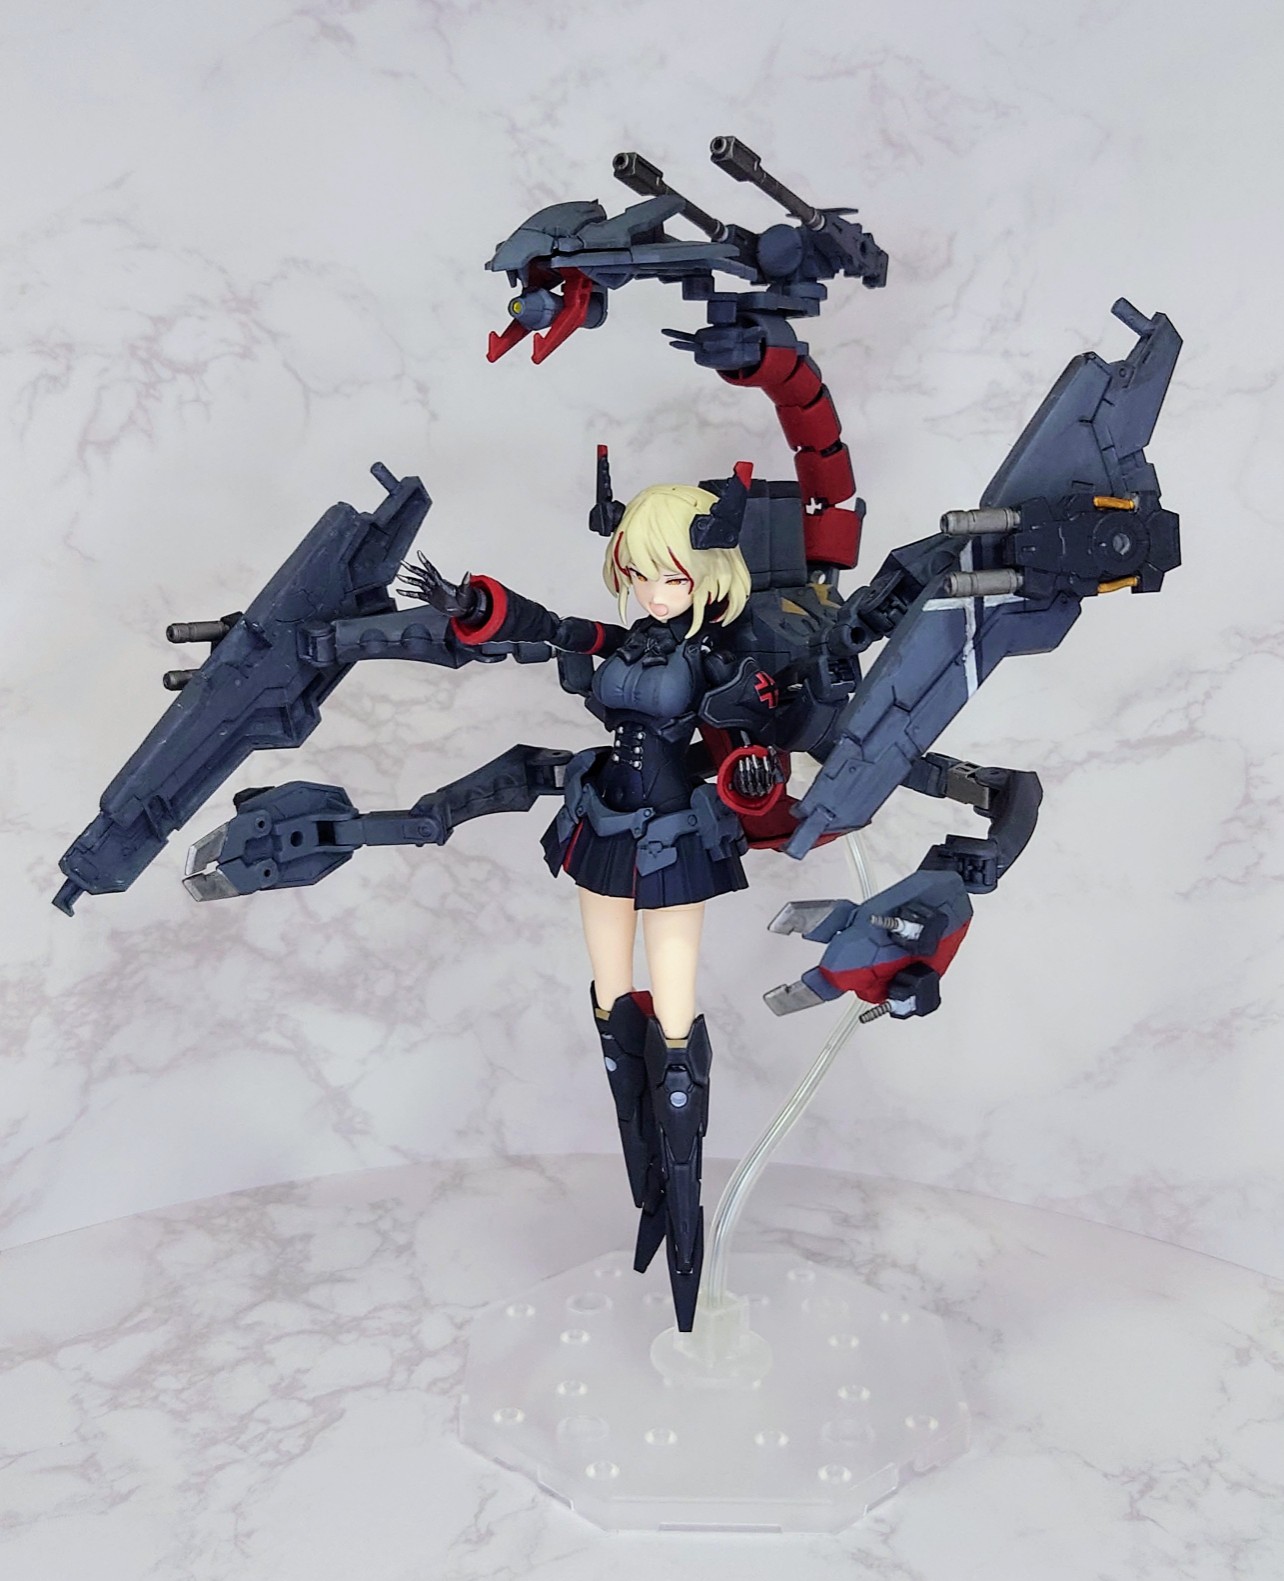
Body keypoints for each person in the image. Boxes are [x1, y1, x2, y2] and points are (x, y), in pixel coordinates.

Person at [399, 480, 782, 1328]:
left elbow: (756, 734)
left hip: (676, 830)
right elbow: (554, 628)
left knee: (673, 1028)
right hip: (603, 819)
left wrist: (755, 762)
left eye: (673, 576)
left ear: (708, 575)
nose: (656, 591)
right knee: (613, 1010)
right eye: (642, 573)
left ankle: (685, 1222)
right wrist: (476, 604)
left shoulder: (717, 658)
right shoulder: (627, 639)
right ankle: (648, 1197)